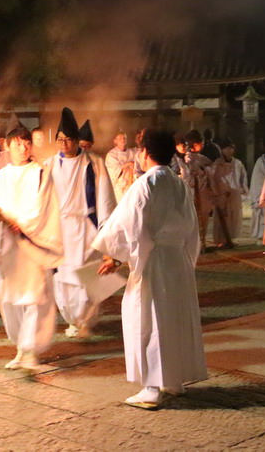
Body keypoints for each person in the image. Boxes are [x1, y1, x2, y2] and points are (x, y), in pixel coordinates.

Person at [91, 129, 206, 410]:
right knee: (174, 317)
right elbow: (192, 228)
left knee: (148, 318)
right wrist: (187, 257)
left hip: (153, 259)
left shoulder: (145, 184)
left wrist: (117, 257)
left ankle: (152, 387)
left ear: (144, 152)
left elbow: (131, 226)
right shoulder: (179, 184)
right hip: (176, 258)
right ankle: (175, 379)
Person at [0, 127, 63, 370]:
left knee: (34, 296)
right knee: (10, 299)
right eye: (17, 144)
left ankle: (31, 349)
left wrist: (22, 224)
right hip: (6, 246)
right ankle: (20, 347)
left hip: (32, 244)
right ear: (6, 146)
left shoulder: (40, 173)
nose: (23, 148)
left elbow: (42, 207)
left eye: (26, 143)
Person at [46, 109, 116, 338]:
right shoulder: (48, 165)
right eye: (60, 140)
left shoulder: (94, 163)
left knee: (87, 275)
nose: (63, 144)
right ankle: (72, 319)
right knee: (63, 276)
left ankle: (86, 319)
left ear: (76, 141)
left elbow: (105, 197)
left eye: (68, 140)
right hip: (60, 229)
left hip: (86, 227)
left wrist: (106, 232)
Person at [210, 139, 248, 247]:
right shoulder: (217, 163)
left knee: (233, 218)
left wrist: (241, 190)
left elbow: (242, 178)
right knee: (222, 218)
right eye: (227, 148)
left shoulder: (237, 163)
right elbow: (214, 179)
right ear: (222, 150)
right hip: (222, 195)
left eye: (231, 148)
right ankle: (221, 240)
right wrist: (220, 191)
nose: (230, 151)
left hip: (234, 195)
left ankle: (230, 238)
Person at [184, 129, 214, 247]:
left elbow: (211, 169)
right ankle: (195, 243)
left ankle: (202, 242)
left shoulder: (201, 158)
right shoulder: (188, 159)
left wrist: (205, 171)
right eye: (200, 143)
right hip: (193, 194)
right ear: (196, 144)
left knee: (203, 218)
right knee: (194, 219)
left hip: (203, 194)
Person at [105, 130, 137, 202]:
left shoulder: (133, 152)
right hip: (120, 189)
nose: (123, 140)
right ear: (115, 141)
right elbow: (113, 172)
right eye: (120, 138)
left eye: (124, 138)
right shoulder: (111, 155)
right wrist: (128, 164)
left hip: (133, 186)